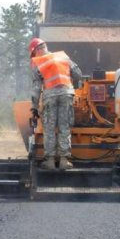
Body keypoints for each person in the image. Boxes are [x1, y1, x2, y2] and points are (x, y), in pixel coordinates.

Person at [28, 37, 82, 170]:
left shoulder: (39, 63)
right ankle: (64, 161)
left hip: (50, 97)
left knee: (49, 128)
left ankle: (50, 162)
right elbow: (78, 75)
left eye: (33, 54)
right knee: (64, 126)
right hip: (67, 95)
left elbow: (36, 89)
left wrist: (34, 107)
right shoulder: (63, 56)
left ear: (36, 51)